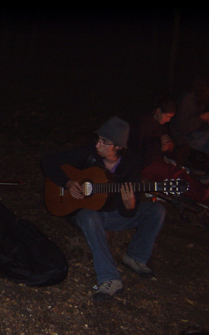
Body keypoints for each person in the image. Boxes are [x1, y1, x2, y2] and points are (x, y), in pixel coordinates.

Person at [41, 116, 166, 302]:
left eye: (104, 142)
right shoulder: (89, 154)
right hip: (85, 213)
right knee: (90, 217)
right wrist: (67, 183)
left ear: (118, 147)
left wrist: (130, 205)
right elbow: (48, 161)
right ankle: (110, 278)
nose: (98, 145)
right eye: (98, 139)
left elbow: (127, 213)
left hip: (113, 215)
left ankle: (135, 256)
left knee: (157, 210)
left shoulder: (130, 165)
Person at [130, 97, 209, 209]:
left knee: (181, 170)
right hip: (146, 165)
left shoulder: (160, 125)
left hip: (157, 160)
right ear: (158, 111)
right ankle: (203, 194)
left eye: (171, 117)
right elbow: (138, 148)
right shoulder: (142, 123)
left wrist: (168, 148)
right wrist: (159, 144)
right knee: (176, 175)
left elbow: (163, 148)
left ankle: (200, 191)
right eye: (167, 116)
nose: (168, 120)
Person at [170, 75, 209, 153]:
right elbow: (182, 127)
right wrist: (201, 118)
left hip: (194, 132)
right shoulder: (187, 99)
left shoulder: (199, 99)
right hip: (183, 137)